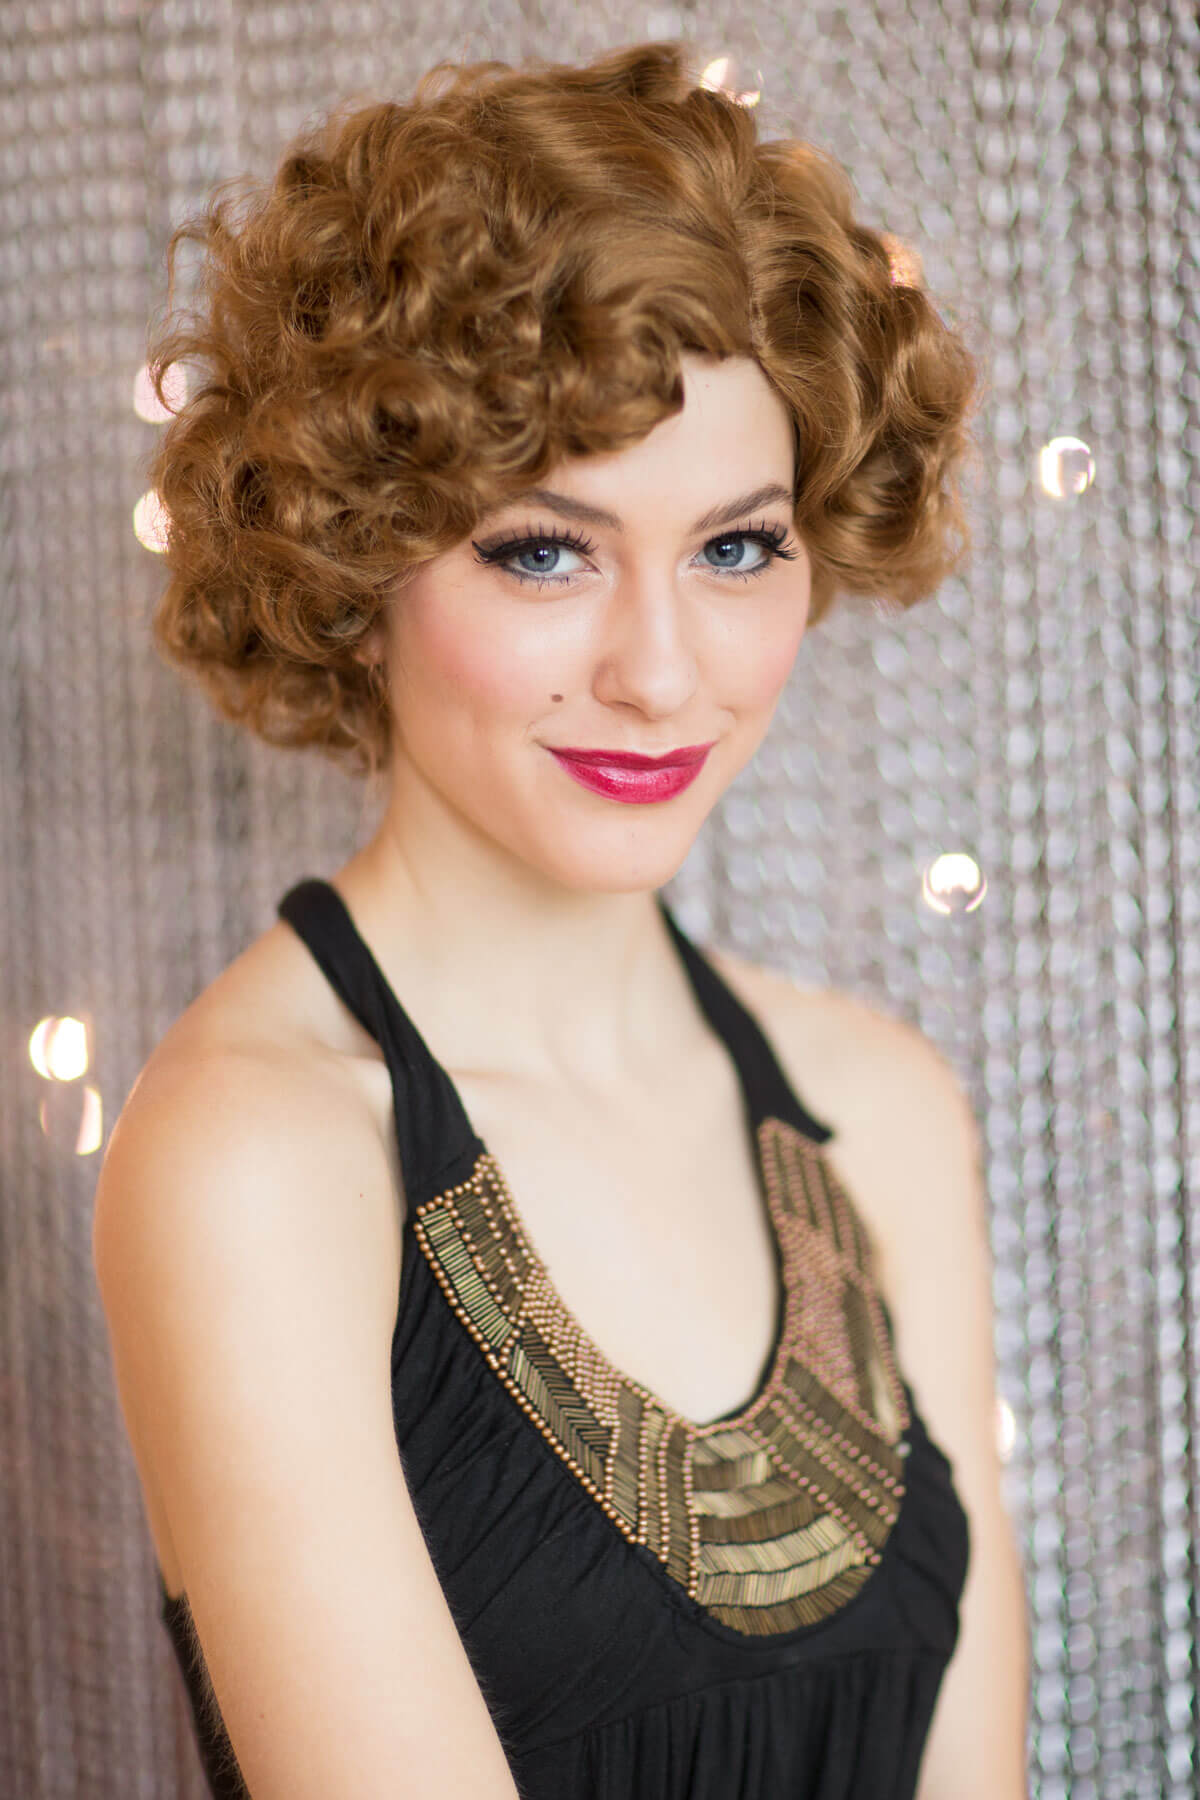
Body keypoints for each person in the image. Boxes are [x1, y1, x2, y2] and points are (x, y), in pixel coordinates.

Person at [93, 37, 1030, 1800]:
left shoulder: (884, 1109)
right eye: (544, 550)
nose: (661, 672)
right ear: (355, 558)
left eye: (737, 548)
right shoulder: (254, 1155)